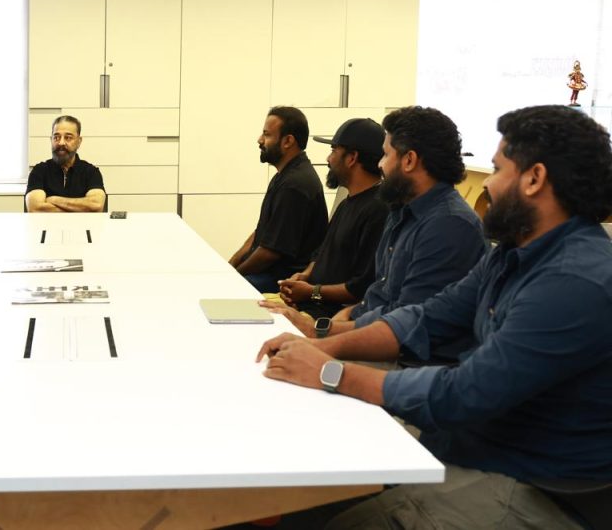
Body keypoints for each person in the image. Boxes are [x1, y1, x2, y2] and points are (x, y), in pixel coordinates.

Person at [258, 105, 612, 529]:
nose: (486, 185)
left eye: (498, 169)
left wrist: (330, 372)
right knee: (311, 497)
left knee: (340, 519)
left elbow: (465, 393)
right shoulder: (511, 254)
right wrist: (321, 348)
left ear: (534, 179)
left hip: (539, 487)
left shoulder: (573, 280)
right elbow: (424, 318)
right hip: (478, 446)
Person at [268, 107, 486, 363]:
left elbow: (406, 328)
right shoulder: (401, 212)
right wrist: (344, 317)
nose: (380, 164)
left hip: (407, 363)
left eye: (386, 154)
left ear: (409, 160)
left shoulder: (448, 225)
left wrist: (322, 331)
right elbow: (380, 296)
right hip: (372, 338)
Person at [276, 118, 389, 319]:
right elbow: (321, 253)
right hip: (309, 306)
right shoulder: (346, 203)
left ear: (352, 158)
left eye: (333, 151)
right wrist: (304, 277)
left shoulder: (378, 211)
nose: (328, 159)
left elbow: (359, 288)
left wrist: (311, 292)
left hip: (329, 318)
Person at [229, 106, 328, 293]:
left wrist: (235, 276)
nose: (260, 140)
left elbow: (269, 253)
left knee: (221, 292)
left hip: (281, 280)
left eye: (267, 135)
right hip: (269, 273)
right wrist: (231, 264)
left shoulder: (295, 185)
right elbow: (261, 233)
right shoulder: (285, 176)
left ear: (288, 141)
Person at [25, 115, 106, 212]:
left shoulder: (91, 172)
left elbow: (96, 206)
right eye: (56, 137)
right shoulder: (39, 171)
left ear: (79, 141)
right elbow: (35, 208)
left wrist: (53, 200)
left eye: (68, 137)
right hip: (48, 223)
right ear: (51, 140)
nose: (61, 143)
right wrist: (81, 208)